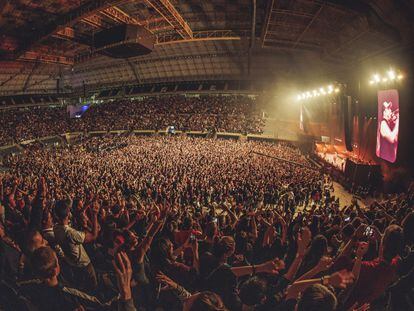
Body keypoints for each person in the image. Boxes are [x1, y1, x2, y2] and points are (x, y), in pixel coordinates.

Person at [53, 199, 99, 292]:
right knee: (92, 286)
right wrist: (94, 214)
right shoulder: (70, 233)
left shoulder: (56, 228)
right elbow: (94, 236)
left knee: (81, 285)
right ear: (68, 214)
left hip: (72, 262)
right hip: (83, 264)